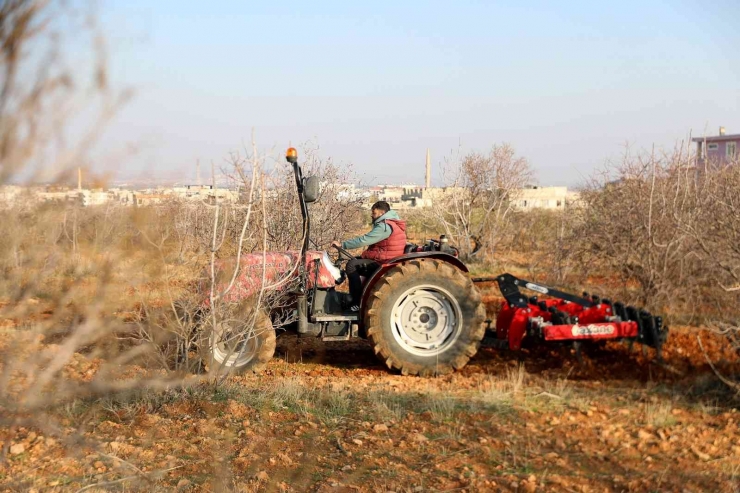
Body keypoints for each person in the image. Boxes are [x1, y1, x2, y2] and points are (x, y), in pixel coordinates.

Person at [331, 201, 407, 311]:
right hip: (385, 259)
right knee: (355, 260)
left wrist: (343, 245)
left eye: (374, 213)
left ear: (382, 213)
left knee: (352, 265)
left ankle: (356, 302)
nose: (372, 215)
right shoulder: (392, 223)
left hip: (384, 262)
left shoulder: (385, 226)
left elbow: (364, 240)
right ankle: (358, 296)